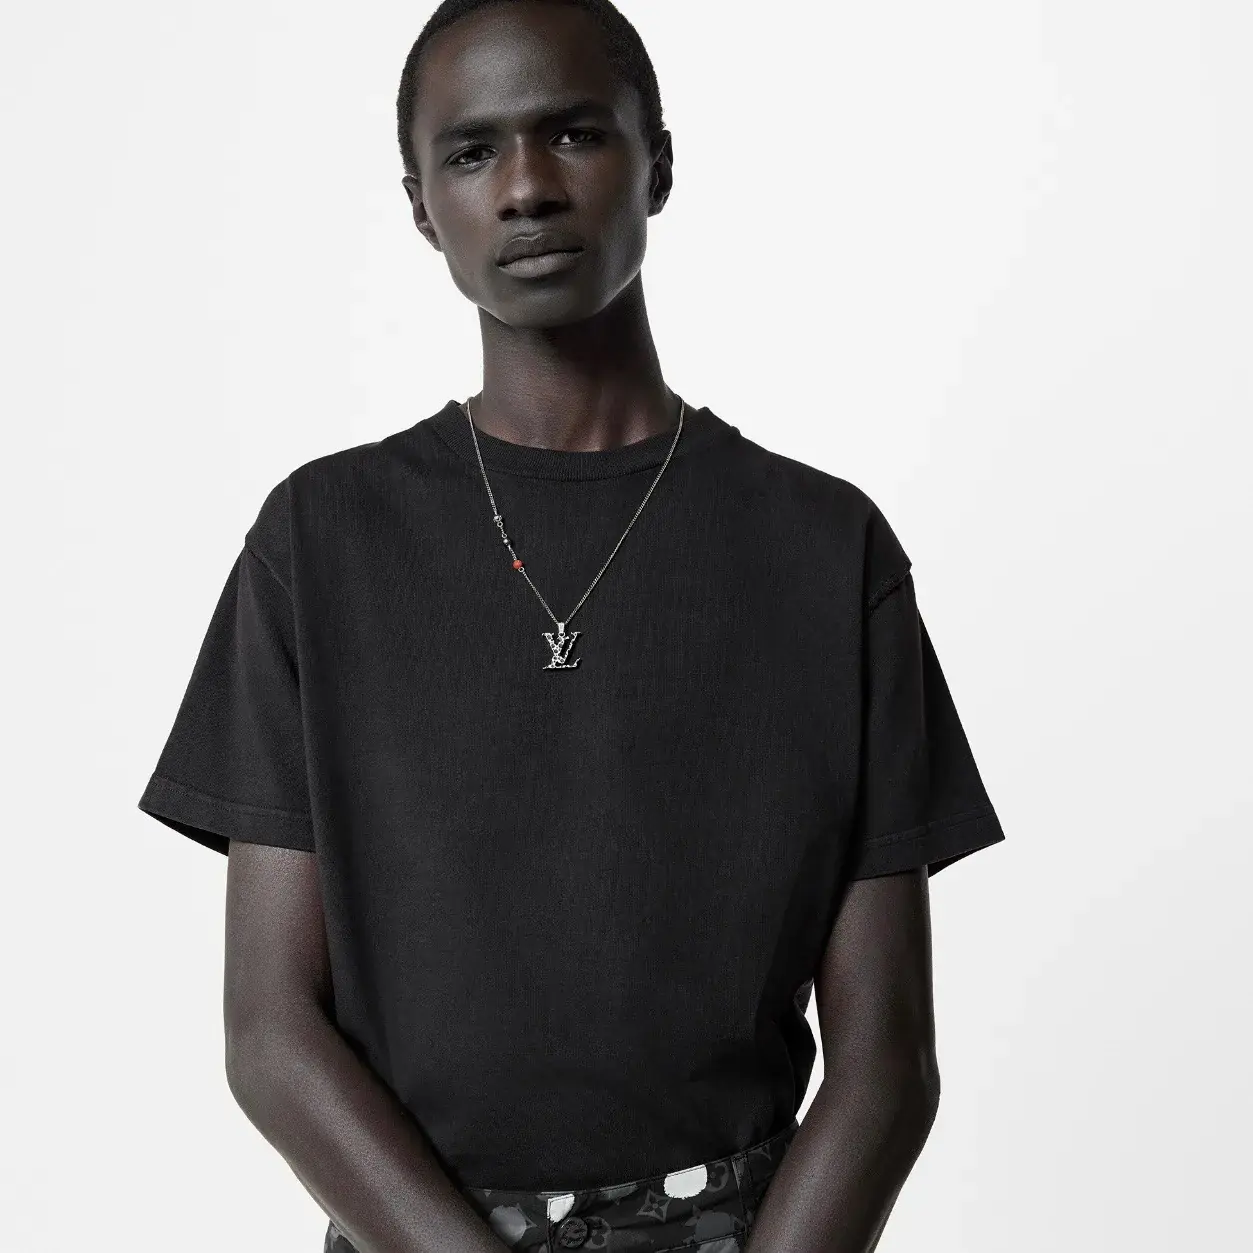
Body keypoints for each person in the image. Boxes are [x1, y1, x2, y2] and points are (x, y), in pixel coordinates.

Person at [135, 1, 1007, 1250]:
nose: (527, 187)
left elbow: (886, 1063)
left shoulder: (826, 551)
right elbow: (271, 1033)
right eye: (471, 151)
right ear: (421, 206)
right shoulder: (320, 543)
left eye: (575, 133)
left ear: (658, 164)